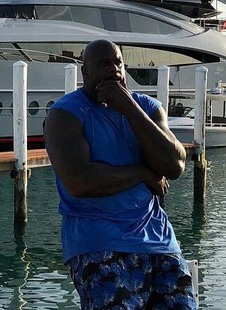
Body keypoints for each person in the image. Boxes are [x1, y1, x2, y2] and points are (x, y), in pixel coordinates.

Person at [44, 39, 196, 309]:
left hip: (159, 242)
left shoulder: (147, 108)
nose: (113, 70)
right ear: (85, 72)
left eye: (118, 63)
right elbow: (80, 182)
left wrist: (128, 107)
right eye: (103, 64)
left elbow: (174, 166)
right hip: (98, 243)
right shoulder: (65, 115)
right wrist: (145, 171)